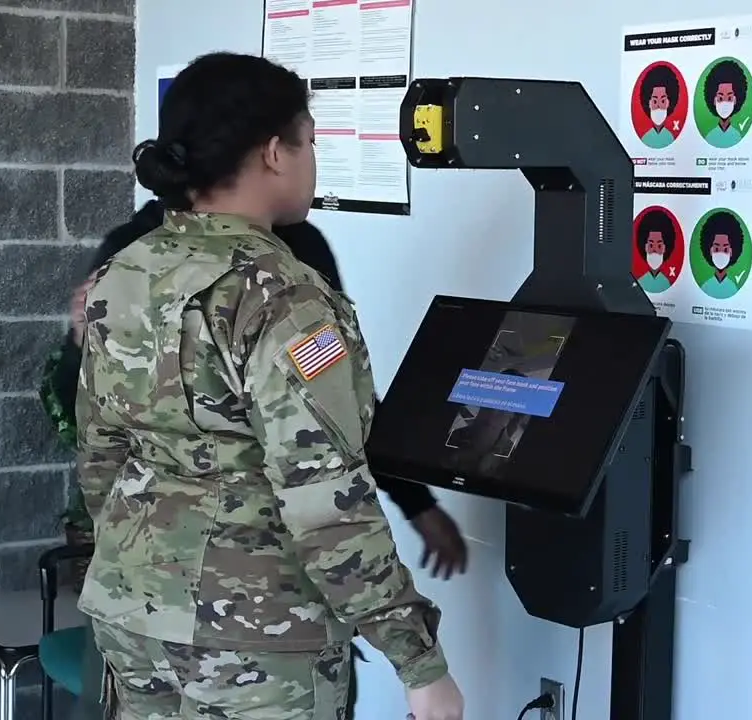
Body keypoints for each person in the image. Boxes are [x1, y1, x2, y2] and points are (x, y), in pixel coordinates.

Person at [73, 52, 464, 720]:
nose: (314, 157)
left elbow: (100, 452)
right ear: (274, 154)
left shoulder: (125, 272)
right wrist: (419, 663)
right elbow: (325, 497)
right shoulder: (282, 298)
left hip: (132, 611)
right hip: (256, 637)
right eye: (309, 140)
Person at [697, 211, 746, 299]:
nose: (721, 253)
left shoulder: (733, 288)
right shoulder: (705, 287)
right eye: (716, 249)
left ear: (732, 252)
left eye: (725, 249)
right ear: (710, 250)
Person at [701, 59, 749, 149]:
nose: (725, 103)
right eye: (720, 98)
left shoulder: (737, 136)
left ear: (736, 100)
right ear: (714, 100)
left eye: (729, 98)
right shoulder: (710, 137)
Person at [634, 209, 678, 293]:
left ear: (665, 248)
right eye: (651, 245)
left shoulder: (666, 283)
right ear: (645, 247)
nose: (654, 250)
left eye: (659, 246)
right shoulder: (640, 282)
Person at [638, 64, 680, 149]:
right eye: (654, 101)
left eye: (663, 101)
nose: (658, 106)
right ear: (648, 103)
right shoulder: (645, 138)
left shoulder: (671, 137)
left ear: (669, 103)